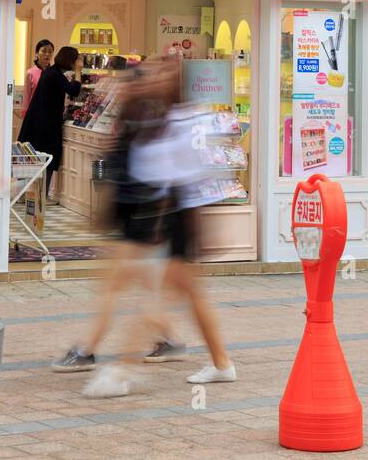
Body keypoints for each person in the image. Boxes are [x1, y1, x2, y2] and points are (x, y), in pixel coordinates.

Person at [60, 58, 235, 397]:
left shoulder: (186, 120)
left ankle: (123, 370)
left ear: (175, 83)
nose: (153, 79)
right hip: (161, 214)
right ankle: (222, 363)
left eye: (162, 74)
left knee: (157, 298)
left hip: (178, 215)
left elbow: (193, 176)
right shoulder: (160, 119)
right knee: (190, 296)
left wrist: (200, 228)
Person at [18, 44, 81, 201]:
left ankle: (28, 194)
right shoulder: (55, 74)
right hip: (46, 125)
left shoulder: (51, 72)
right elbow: (73, 90)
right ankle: (40, 197)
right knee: (47, 158)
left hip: (39, 122)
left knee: (34, 158)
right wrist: (79, 72)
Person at [22, 38, 54, 117]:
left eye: (50, 52)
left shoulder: (54, 73)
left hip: (51, 113)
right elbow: (27, 95)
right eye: (44, 51)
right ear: (36, 53)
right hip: (35, 112)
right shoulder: (30, 73)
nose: (47, 54)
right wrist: (25, 112)